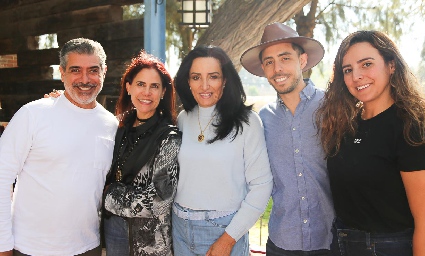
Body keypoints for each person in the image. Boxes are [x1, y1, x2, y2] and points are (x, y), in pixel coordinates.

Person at [316, 30, 425, 256]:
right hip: (340, 245)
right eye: (348, 70)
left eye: (366, 64)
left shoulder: (414, 130)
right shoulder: (346, 126)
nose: (356, 76)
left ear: (391, 65)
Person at [0, 38, 118, 256]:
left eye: (93, 70)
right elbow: (2, 176)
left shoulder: (112, 125)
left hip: (87, 247)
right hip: (30, 248)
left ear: (104, 71)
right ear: (62, 73)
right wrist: (3, 244)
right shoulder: (33, 114)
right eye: (75, 70)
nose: (85, 79)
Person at [240, 22, 335, 255]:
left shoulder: (332, 108)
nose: (277, 69)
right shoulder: (262, 120)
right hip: (282, 243)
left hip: (332, 242)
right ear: (263, 69)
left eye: (285, 58)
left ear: (302, 61)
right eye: (269, 62)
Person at [172, 45, 273, 256]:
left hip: (224, 230)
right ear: (187, 81)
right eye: (196, 77)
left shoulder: (247, 122)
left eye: (213, 76)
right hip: (180, 227)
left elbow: (262, 186)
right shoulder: (183, 118)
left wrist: (229, 239)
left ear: (225, 80)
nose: (204, 85)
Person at [102, 50, 181, 256]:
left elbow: (158, 202)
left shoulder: (169, 138)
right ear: (128, 87)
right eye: (140, 84)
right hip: (113, 231)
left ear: (163, 92)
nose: (147, 92)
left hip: (150, 242)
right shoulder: (116, 128)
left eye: (154, 86)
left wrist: (108, 194)